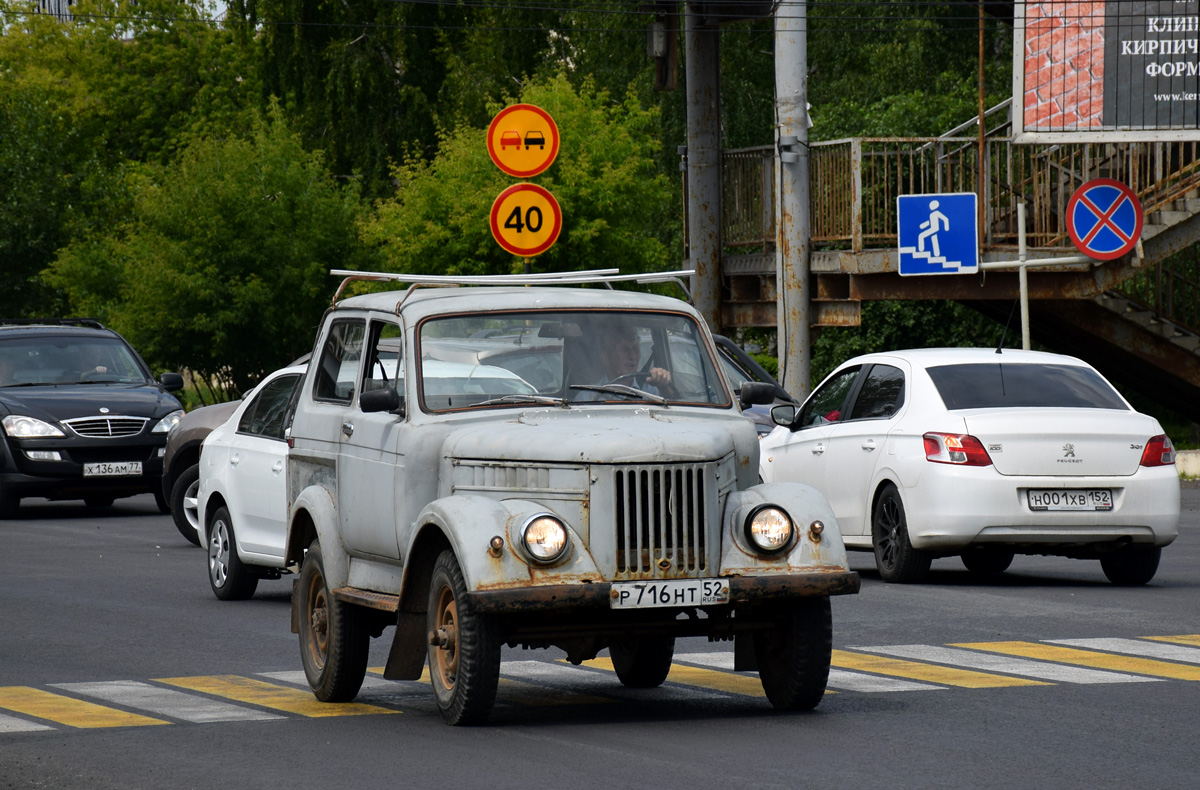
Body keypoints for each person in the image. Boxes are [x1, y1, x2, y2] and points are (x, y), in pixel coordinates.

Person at [596, 323, 673, 395]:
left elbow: (671, 405)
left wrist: (663, 385)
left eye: (635, 348)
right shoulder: (589, 397)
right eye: (624, 349)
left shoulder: (652, 391)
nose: (632, 356)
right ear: (605, 358)